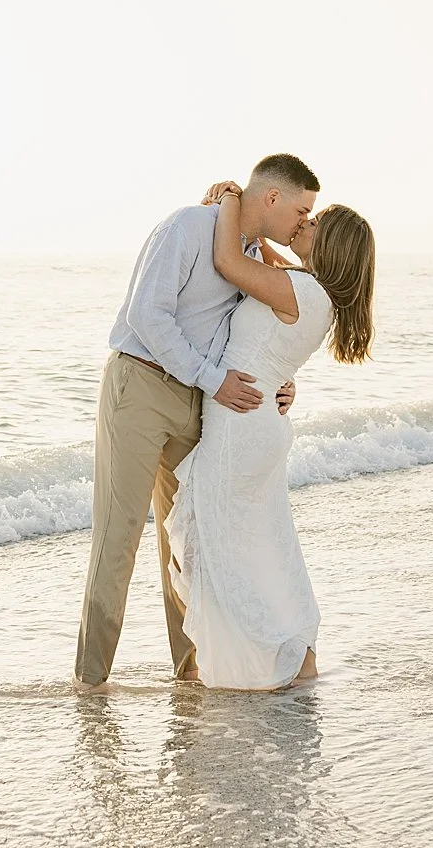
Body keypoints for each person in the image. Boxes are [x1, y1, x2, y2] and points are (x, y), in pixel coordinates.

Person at [74, 154, 320, 690]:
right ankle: (89, 684)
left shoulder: (249, 256)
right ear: (272, 198)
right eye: (302, 211)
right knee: (118, 542)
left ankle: (192, 675)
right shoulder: (189, 225)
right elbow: (147, 315)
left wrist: (283, 381)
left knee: (188, 540)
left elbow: (260, 335)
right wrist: (212, 380)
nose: (304, 222)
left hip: (201, 401)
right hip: (140, 385)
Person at [165, 180, 376, 690]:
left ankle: (261, 660)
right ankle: (293, 654)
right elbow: (259, 265)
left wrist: (232, 203)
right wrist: (254, 226)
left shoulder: (300, 289)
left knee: (223, 549)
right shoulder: (313, 294)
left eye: (315, 223)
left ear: (331, 247)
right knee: (262, 548)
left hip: (242, 430)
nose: (304, 223)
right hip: (259, 428)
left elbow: (229, 265)